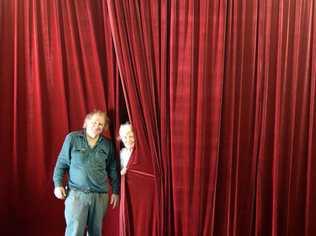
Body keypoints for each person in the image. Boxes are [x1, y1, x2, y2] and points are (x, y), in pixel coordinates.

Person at [53, 110, 120, 236]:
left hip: (100, 197)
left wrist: (116, 191)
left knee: (96, 233)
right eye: (94, 122)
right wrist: (58, 185)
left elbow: (112, 170)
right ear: (86, 122)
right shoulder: (72, 138)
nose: (97, 126)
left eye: (101, 124)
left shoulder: (108, 145)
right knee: (74, 232)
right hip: (77, 195)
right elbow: (61, 164)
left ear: (104, 127)